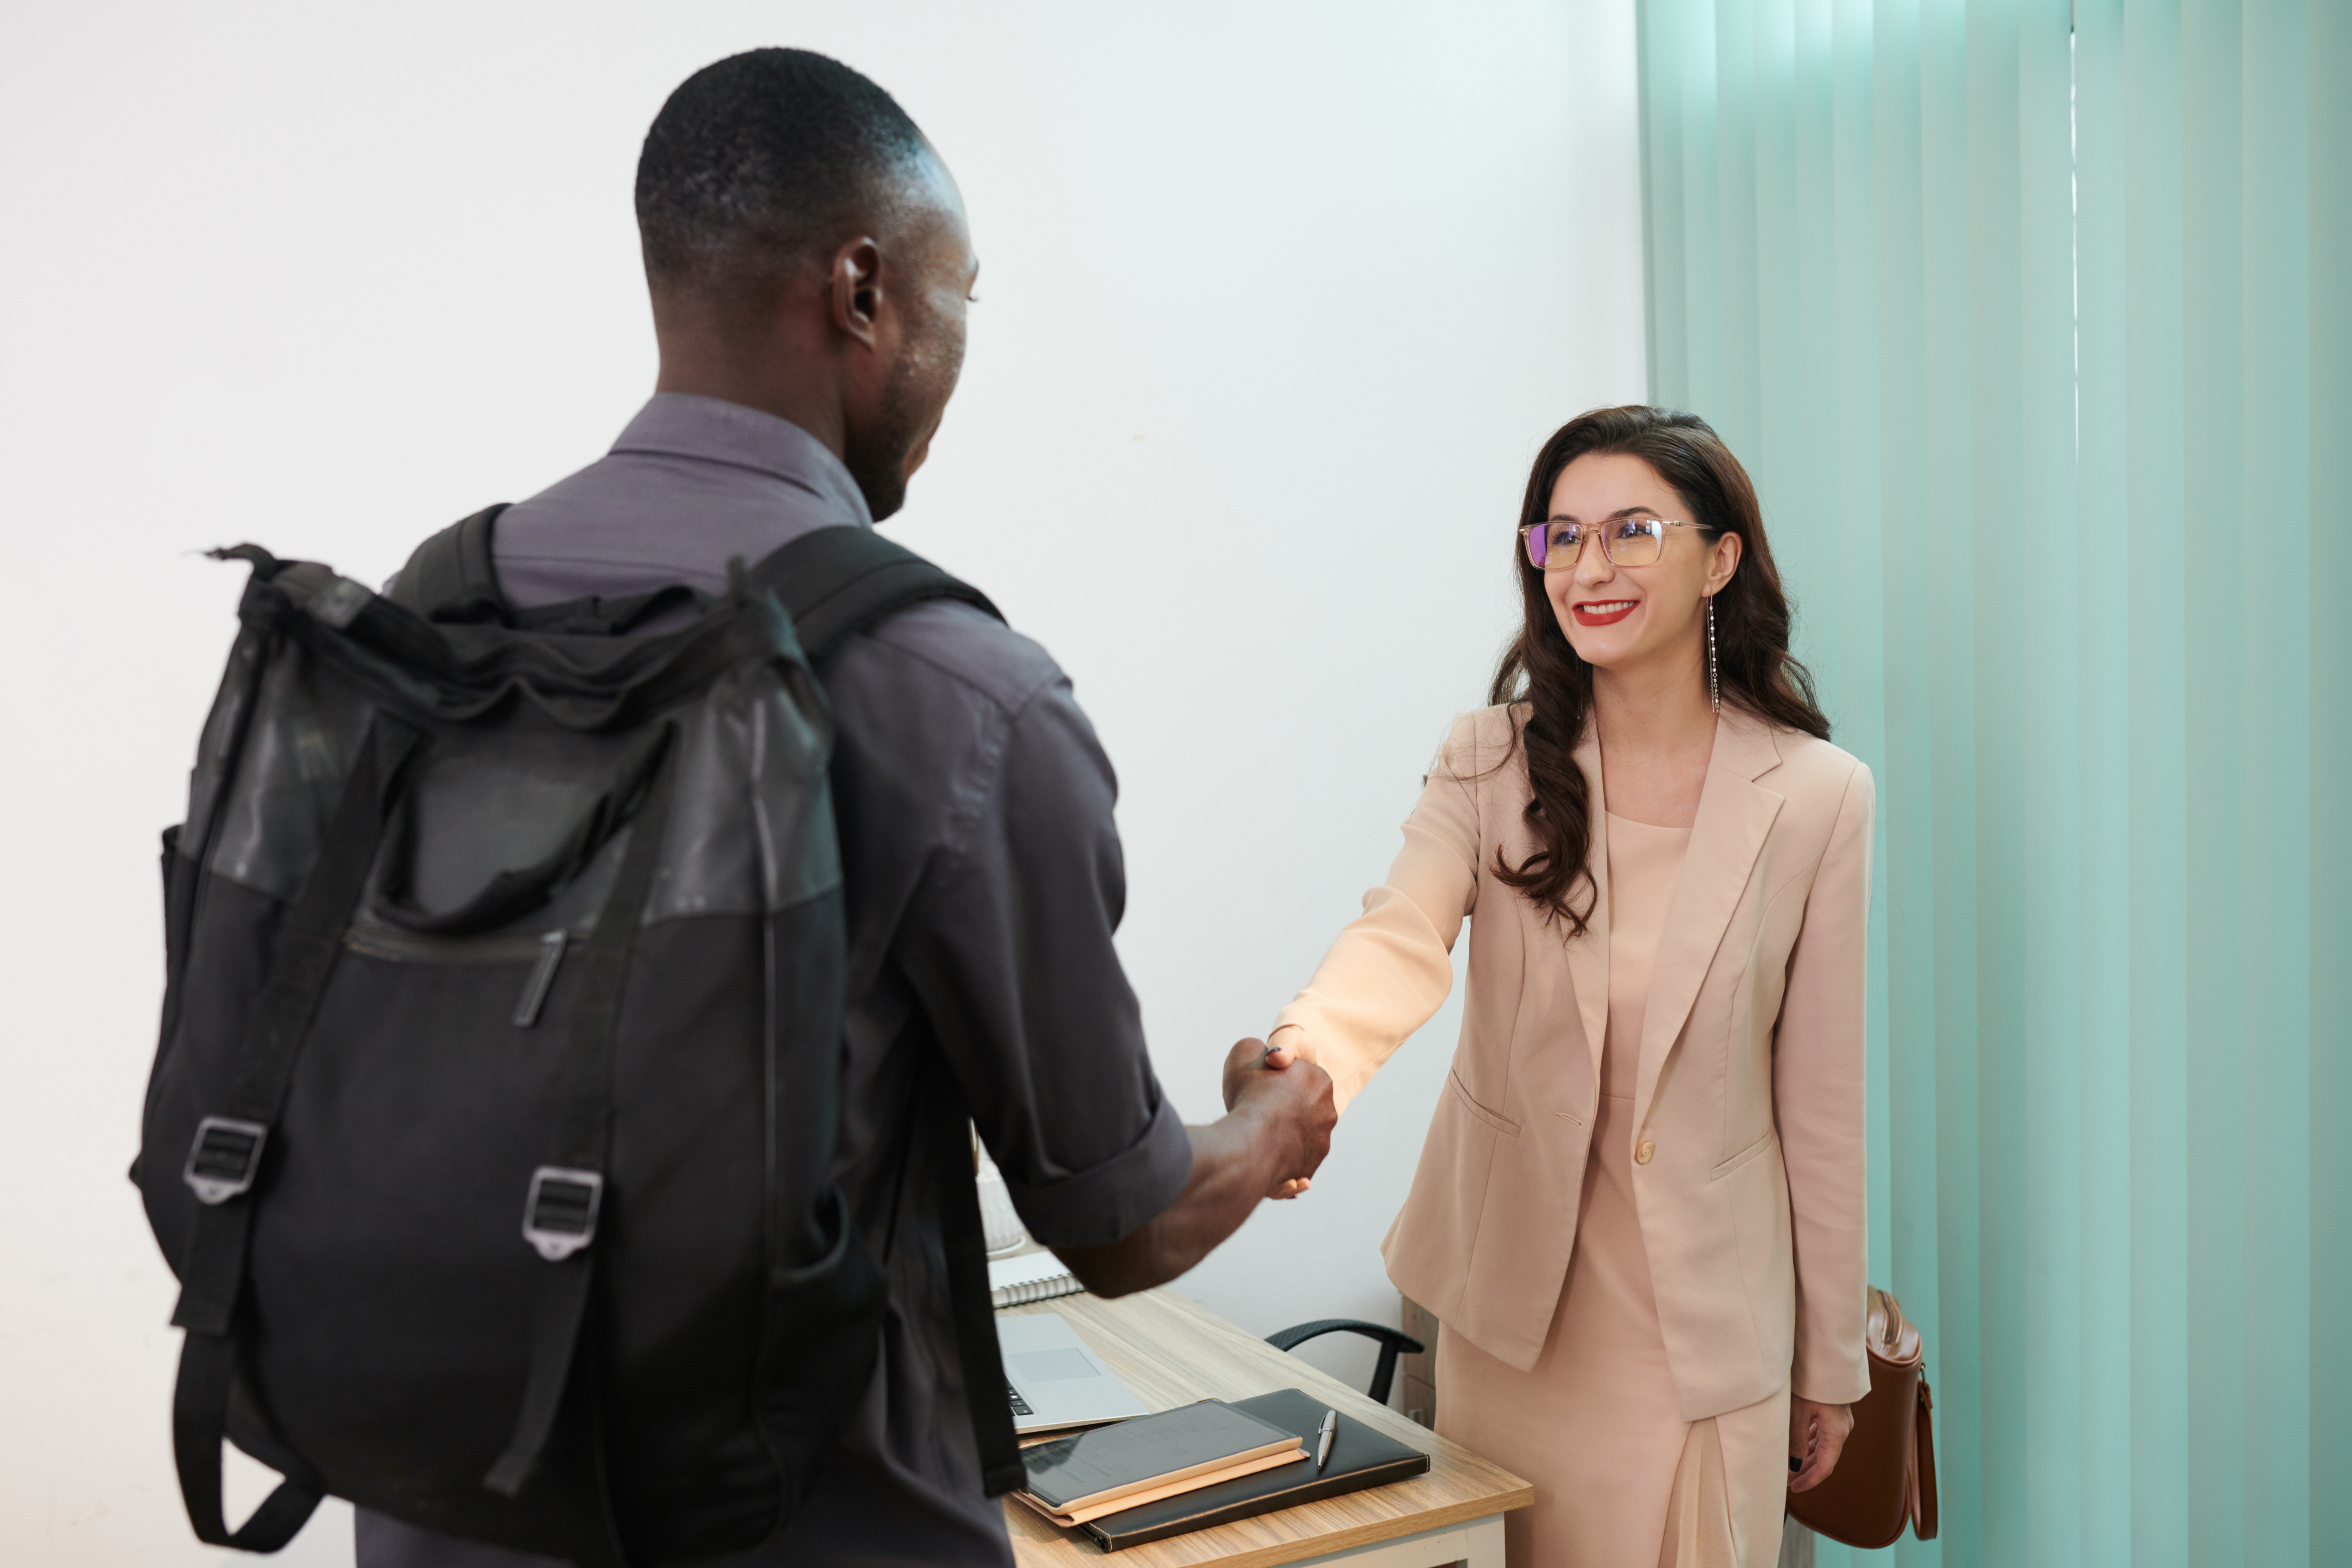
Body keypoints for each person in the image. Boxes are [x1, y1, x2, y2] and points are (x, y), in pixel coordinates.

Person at [355, 48, 1335, 1568]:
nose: (958, 351)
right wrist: (1276, 1124)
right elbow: (1123, 1223)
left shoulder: (428, 610)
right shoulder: (958, 690)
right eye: (961, 298)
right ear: (864, 291)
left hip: (445, 1516)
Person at [1257, 407, 1870, 1565]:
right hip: (1516, 1317)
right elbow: (1400, 935)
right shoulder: (1489, 758)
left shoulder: (1819, 795)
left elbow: (1822, 1106)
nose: (1590, 568)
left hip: (1705, 1336)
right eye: (1564, 536)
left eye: (1632, 531)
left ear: (1719, 560)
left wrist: (1830, 1363)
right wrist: (1302, 1062)